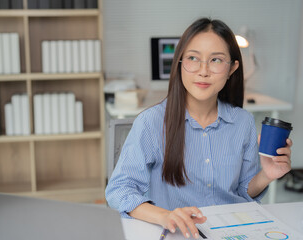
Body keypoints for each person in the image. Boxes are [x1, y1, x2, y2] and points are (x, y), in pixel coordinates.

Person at [105, 17, 293, 239]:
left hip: (233, 231)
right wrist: (164, 216)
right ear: (180, 62)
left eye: (216, 60)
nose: (203, 71)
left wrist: (267, 175)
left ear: (232, 68)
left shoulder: (242, 122)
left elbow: (243, 191)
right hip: (179, 234)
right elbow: (119, 190)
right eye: (193, 58)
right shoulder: (151, 122)